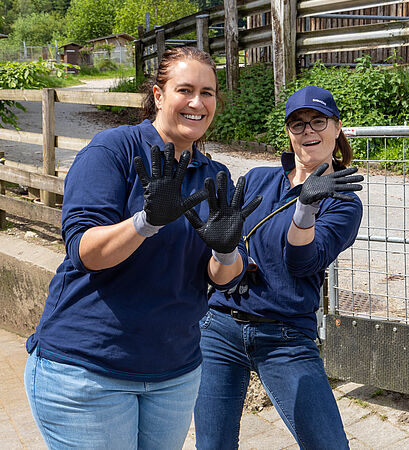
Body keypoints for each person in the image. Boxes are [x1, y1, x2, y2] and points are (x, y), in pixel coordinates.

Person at [24, 46, 260, 449]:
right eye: (184, 89)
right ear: (157, 95)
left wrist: (225, 252)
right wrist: (145, 222)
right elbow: (85, 252)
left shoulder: (213, 174)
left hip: (174, 374)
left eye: (208, 93)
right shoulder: (113, 151)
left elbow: (222, 279)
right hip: (89, 371)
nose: (197, 103)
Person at [194, 85, 364, 450]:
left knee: (328, 445)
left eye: (318, 121)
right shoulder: (258, 180)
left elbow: (302, 263)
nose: (308, 132)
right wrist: (225, 252)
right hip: (220, 328)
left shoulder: (344, 201)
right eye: (298, 124)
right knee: (212, 445)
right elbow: (226, 268)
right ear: (288, 133)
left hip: (285, 336)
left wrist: (304, 211)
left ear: (336, 127)